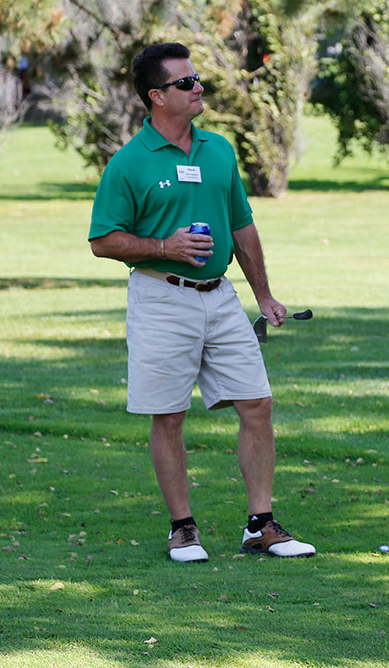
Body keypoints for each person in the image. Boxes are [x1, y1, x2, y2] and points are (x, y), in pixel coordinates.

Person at [88, 42, 315, 563]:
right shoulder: (129, 164)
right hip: (161, 298)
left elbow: (241, 225)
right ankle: (183, 528)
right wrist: (165, 246)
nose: (198, 89)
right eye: (186, 83)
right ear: (156, 97)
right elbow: (104, 240)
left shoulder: (217, 150)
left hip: (222, 298)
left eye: (197, 80)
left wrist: (263, 293)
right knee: (168, 416)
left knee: (257, 404)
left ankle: (261, 525)